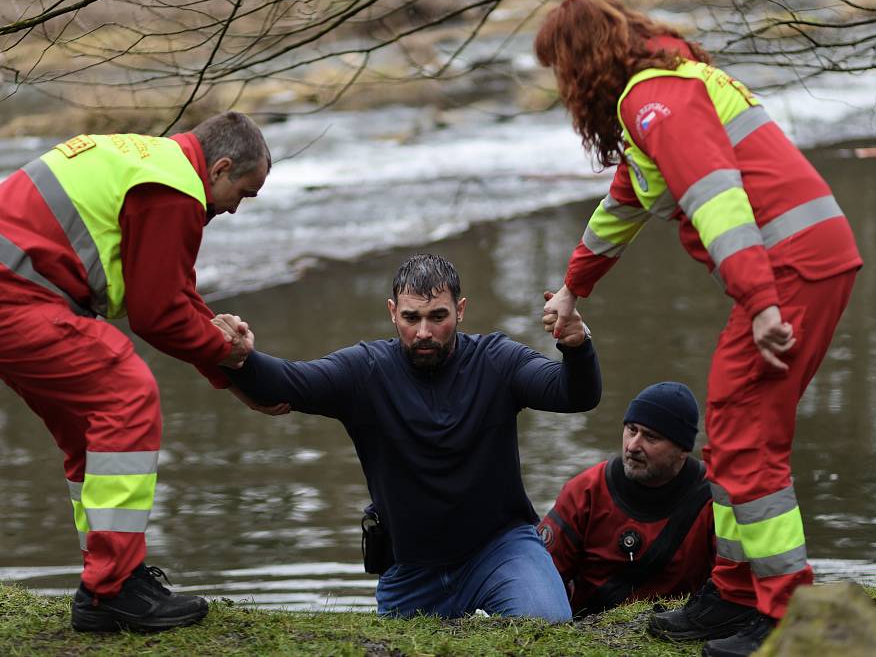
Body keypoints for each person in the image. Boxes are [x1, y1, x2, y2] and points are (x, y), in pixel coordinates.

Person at [534, 0, 862, 655]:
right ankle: (737, 595)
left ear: (580, 64)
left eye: (558, 70)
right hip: (798, 261)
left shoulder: (655, 97)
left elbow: (716, 194)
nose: (561, 87)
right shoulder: (665, 88)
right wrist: (573, 290)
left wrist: (761, 299)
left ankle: (787, 611)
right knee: (737, 422)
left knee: (746, 433)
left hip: (787, 267)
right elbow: (624, 204)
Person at [216, 254, 602, 622]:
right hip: (412, 567)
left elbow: (573, 395)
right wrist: (235, 352)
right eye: (410, 318)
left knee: (546, 623)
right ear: (391, 312)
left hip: (501, 549)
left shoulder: (496, 360)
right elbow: (286, 383)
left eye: (438, 317)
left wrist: (576, 345)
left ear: (461, 310)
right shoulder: (364, 372)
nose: (424, 332)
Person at [0, 111, 271, 632]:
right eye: (244, 191)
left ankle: (113, 576)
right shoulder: (174, 192)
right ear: (220, 167)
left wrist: (227, 366)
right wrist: (226, 352)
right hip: (20, 294)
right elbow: (157, 315)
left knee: (90, 432)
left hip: (24, 290)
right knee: (125, 393)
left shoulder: (153, 162)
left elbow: (175, 293)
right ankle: (110, 591)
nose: (237, 209)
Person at [538, 381, 714, 617]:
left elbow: (731, 582)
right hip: (588, 628)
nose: (632, 446)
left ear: (682, 449)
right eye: (631, 430)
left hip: (677, 626)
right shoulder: (585, 491)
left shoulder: (713, 500)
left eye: (650, 437)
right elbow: (542, 575)